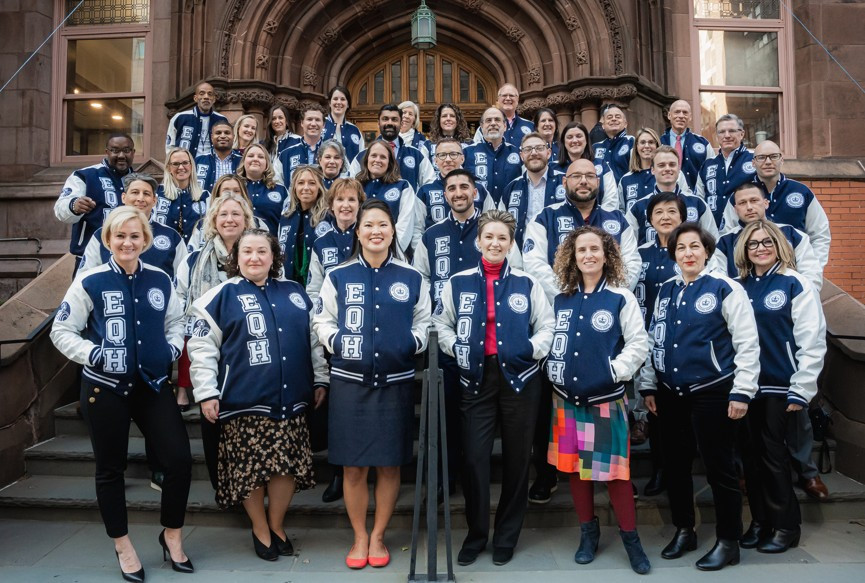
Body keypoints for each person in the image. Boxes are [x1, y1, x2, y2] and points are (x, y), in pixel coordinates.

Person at [51, 206, 193, 581]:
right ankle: (122, 544)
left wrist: (172, 349)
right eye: (120, 236)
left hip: (152, 384)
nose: (127, 242)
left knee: (178, 459)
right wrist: (93, 354)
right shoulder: (90, 281)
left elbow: (176, 321)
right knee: (110, 469)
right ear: (108, 239)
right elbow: (61, 330)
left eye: (135, 236)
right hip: (105, 388)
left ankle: (172, 534)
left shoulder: (161, 279)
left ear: (145, 240)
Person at [187, 228, 327, 561]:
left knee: (284, 469)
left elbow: (314, 343)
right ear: (236, 258)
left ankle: (276, 525)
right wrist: (206, 392)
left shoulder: (295, 293)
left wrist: (320, 378)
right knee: (250, 471)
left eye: (262, 251)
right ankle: (260, 528)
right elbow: (202, 348)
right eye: (247, 251)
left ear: (274, 257)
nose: (254, 257)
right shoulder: (220, 296)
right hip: (243, 401)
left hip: (290, 400)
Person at [314, 199, 430, 569]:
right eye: (368, 225)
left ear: (393, 230)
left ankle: (378, 535)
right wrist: (340, 345)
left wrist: (407, 345)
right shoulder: (339, 276)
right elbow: (322, 322)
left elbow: (424, 323)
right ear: (358, 232)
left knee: (390, 466)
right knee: (352, 467)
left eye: (383, 224)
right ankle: (359, 535)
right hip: (350, 385)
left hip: (394, 383)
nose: (376, 231)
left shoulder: (412, 277)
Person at [434, 210, 554, 567]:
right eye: (489, 237)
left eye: (502, 238)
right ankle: (476, 534)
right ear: (478, 242)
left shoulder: (527, 283)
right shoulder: (457, 282)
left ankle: (506, 536)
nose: (495, 243)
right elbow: (442, 323)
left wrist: (527, 350)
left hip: (520, 378)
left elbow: (546, 326)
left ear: (510, 243)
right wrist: (457, 348)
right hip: (475, 378)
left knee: (518, 459)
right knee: (474, 458)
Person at [638, 223, 760, 571]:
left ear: (706, 251)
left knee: (719, 469)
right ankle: (684, 529)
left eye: (695, 246)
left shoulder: (725, 288)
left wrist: (743, 391)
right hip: (670, 394)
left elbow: (747, 344)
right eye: (681, 248)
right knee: (675, 466)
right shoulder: (665, 290)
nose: (688, 253)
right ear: (673, 254)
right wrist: (648, 384)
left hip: (714, 392)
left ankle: (728, 540)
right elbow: (654, 339)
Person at [545, 226, 651, 573]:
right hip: (566, 400)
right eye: (581, 250)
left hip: (605, 398)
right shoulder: (561, 299)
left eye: (595, 249)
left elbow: (638, 344)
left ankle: (631, 541)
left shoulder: (621, 297)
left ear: (607, 255)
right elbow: (549, 341)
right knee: (578, 471)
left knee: (616, 475)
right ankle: (588, 534)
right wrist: (552, 370)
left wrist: (613, 371)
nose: (588, 255)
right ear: (572, 258)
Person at [733, 220, 826, 553]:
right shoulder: (736, 286)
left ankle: (786, 525)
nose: (760, 248)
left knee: (773, 457)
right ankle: (760, 522)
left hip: (779, 386)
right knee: (751, 457)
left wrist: (801, 387)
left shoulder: (794, 284)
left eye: (767, 242)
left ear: (779, 245)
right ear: (744, 249)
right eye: (753, 243)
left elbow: (812, 340)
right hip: (745, 388)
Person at [175, 192, 256, 471]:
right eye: (223, 214)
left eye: (236, 214)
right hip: (208, 347)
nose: (229, 219)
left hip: (247, 350)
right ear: (213, 220)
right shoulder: (194, 260)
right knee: (213, 420)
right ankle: (219, 482)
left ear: (246, 220)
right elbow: (181, 299)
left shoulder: (258, 255)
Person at [523, 158, 642, 301]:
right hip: (560, 308)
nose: (584, 181)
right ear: (564, 182)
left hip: (609, 307)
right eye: (576, 176)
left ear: (598, 182)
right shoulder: (544, 218)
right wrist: (570, 296)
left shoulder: (618, 219)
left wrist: (608, 297)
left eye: (590, 176)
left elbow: (632, 262)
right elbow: (535, 264)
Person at [633, 192, 686, 497]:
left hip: (680, 342)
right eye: (659, 212)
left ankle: (678, 471)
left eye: (672, 211)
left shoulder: (690, 250)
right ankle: (660, 469)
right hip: (646, 339)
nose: (665, 217)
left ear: (682, 216)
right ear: (650, 219)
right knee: (655, 410)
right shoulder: (638, 253)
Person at [721, 140, 831, 267]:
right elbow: (727, 234)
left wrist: (813, 269)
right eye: (761, 157)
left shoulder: (801, 192)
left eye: (773, 156)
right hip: (751, 274)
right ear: (753, 163)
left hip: (795, 272)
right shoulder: (741, 194)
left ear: (782, 160)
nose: (768, 162)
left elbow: (820, 234)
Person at [710, 183, 823, 292]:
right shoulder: (725, 242)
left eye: (754, 201)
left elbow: (811, 274)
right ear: (735, 209)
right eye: (742, 203)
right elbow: (719, 279)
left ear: (766, 203)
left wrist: (802, 297)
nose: (749, 207)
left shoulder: (792, 235)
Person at [55, 133, 135, 273]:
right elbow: (61, 209)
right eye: (115, 150)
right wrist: (74, 206)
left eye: (127, 150)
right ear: (107, 152)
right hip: (91, 260)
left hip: (130, 260)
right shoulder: (86, 175)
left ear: (133, 153)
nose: (121, 155)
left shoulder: (140, 182)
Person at [82, 173, 187, 279]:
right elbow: (84, 278)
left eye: (146, 194)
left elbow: (184, 280)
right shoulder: (103, 234)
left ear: (154, 201)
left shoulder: (172, 236)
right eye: (135, 192)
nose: (140, 198)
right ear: (123, 197)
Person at [625, 146, 717, 246]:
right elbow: (627, 245)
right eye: (661, 165)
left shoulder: (697, 203)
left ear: (679, 168)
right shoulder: (638, 207)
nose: (667, 169)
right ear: (652, 170)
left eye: (672, 165)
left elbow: (713, 241)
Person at [499, 132, 565, 248]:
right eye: (528, 149)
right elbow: (501, 225)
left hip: (560, 253)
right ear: (521, 155)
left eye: (539, 148)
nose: (534, 153)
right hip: (520, 256)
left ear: (548, 153)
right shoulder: (511, 188)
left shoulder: (565, 183)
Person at [415, 138, 493, 236]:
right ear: (435, 160)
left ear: (462, 158)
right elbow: (417, 229)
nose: (448, 160)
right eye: (442, 155)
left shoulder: (479, 189)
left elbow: (492, 223)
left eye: (453, 154)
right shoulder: (425, 191)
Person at [349, 104, 435, 191]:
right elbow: (351, 186)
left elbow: (430, 184)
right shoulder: (362, 156)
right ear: (378, 123)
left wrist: (416, 203)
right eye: (385, 119)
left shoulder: (416, 155)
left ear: (401, 123)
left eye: (394, 119)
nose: (389, 123)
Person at [307, 178, 365, 301]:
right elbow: (314, 290)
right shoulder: (321, 243)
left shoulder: (369, 237)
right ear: (331, 205)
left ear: (359, 205)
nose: (346, 205)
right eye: (339, 199)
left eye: (351, 200)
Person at [696, 113, 756, 229]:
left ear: (742, 134)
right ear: (716, 136)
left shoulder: (755, 159)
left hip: (747, 230)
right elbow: (699, 199)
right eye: (722, 132)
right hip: (712, 232)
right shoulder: (707, 165)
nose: (727, 135)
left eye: (732, 131)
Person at [356, 140, 417, 253]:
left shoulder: (403, 186)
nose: (377, 160)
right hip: (360, 255)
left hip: (393, 255)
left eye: (383, 157)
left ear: (390, 162)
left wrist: (389, 253)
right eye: (373, 155)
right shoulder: (356, 186)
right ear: (367, 159)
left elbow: (405, 225)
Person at [277, 165, 329, 285]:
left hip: (319, 284)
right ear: (294, 187)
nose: (306, 188)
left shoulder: (329, 217)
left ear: (319, 187)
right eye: (301, 183)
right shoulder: (286, 218)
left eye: (312, 183)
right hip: (290, 285)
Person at [463, 107, 523, 206]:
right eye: (488, 120)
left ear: (505, 125)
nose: (493, 123)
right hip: (478, 215)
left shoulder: (518, 153)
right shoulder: (467, 153)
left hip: (510, 214)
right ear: (482, 126)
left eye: (497, 120)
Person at [155, 147, 209, 244]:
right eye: (175, 164)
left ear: (191, 166)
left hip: (195, 254)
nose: (181, 167)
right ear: (168, 168)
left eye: (185, 163)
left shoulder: (205, 196)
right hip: (165, 252)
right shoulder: (157, 194)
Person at [660, 100, 714, 191]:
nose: (681, 116)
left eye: (685, 113)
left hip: (695, 198)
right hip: (665, 197)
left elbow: (712, 172)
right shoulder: (658, 142)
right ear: (669, 115)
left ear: (690, 117)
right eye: (677, 112)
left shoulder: (703, 143)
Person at [236, 143, 288, 234]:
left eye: (260, 157)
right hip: (240, 245)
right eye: (251, 156)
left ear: (267, 163)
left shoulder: (281, 190)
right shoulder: (235, 188)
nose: (255, 159)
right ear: (243, 161)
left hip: (271, 245)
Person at [166, 81, 229, 157]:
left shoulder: (222, 120)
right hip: (186, 165)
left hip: (212, 166)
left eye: (210, 94)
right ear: (195, 98)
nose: (206, 97)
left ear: (214, 99)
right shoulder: (180, 117)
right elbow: (170, 146)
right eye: (202, 93)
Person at [275, 104, 327, 186]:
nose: (313, 124)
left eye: (317, 120)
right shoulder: (285, 154)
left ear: (323, 124)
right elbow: (277, 184)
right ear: (302, 123)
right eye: (309, 119)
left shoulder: (334, 154)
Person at [194, 120, 242, 193]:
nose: (222, 136)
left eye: (227, 133)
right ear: (212, 137)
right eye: (218, 133)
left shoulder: (242, 161)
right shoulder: (198, 161)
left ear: (233, 137)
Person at [592, 105, 635, 184]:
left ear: (625, 124)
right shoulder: (595, 147)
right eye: (609, 117)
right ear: (603, 126)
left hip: (624, 192)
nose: (614, 119)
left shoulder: (632, 141)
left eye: (618, 117)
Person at [323, 85, 365, 163]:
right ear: (329, 103)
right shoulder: (320, 125)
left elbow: (361, 157)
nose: (339, 102)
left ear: (348, 104)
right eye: (335, 99)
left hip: (351, 175)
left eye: (343, 99)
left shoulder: (355, 130)